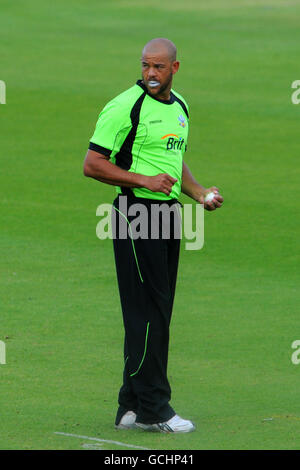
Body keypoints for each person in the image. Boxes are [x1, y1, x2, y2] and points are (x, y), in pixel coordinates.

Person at [83, 38, 223, 433]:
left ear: (175, 68)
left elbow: (173, 159)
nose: (150, 74)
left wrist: (198, 193)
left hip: (168, 214)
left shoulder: (180, 107)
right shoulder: (125, 105)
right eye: (146, 65)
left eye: (159, 67)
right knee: (148, 312)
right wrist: (142, 179)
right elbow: (92, 164)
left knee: (155, 309)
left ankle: (130, 404)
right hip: (135, 213)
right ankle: (153, 409)